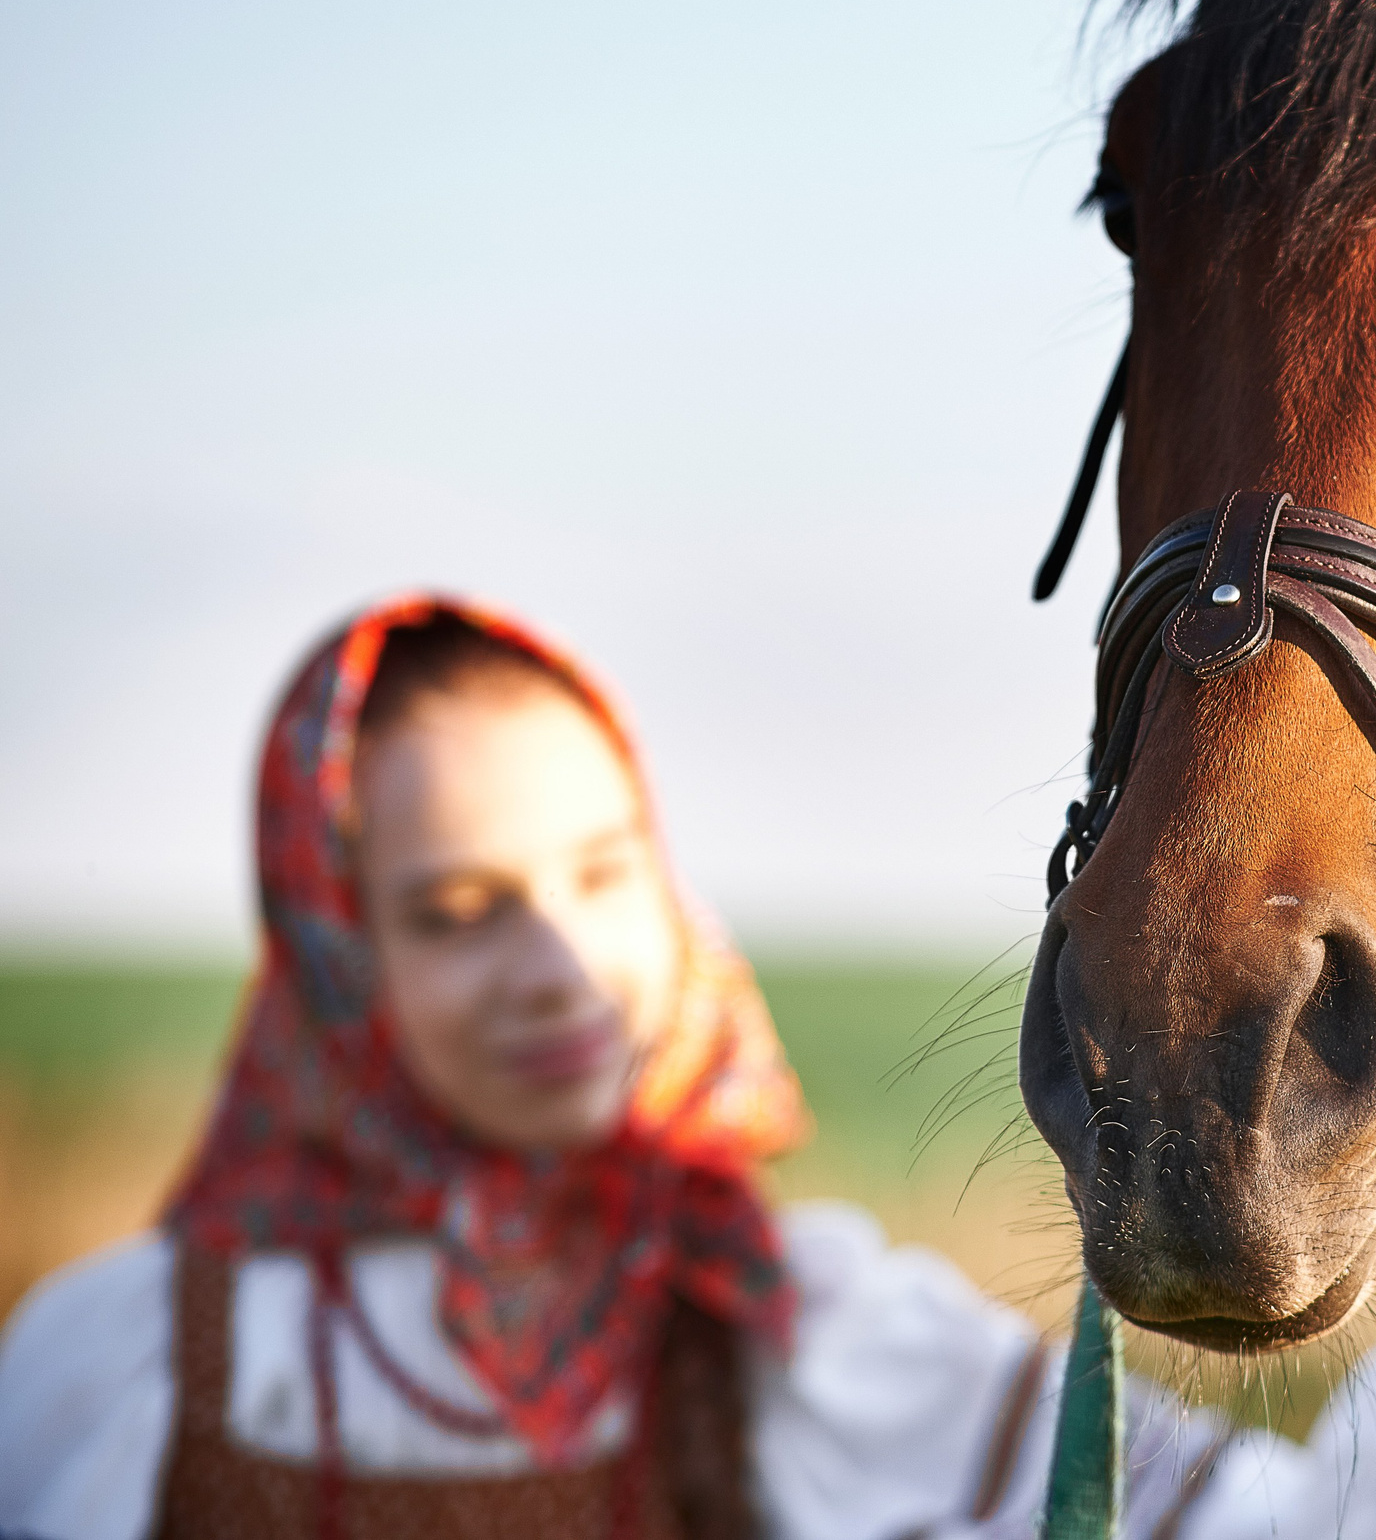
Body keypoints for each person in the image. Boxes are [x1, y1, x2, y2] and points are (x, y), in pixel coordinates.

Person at [0, 595, 1255, 1540]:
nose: (561, 965)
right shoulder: (141, 1362)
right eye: (455, 909)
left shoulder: (779, 1324)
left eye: (603, 874)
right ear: (337, 955)